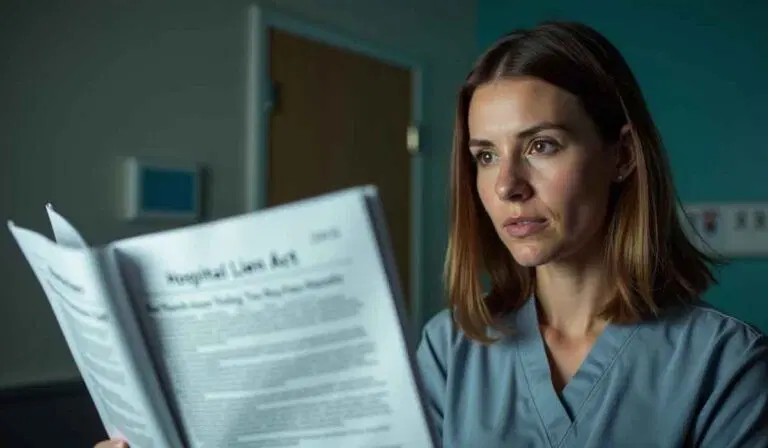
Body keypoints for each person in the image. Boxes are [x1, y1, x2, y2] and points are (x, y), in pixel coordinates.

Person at [95, 21, 767, 448]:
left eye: (542, 145)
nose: (506, 186)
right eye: (484, 155)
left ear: (620, 155)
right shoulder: (451, 351)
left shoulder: (725, 367)